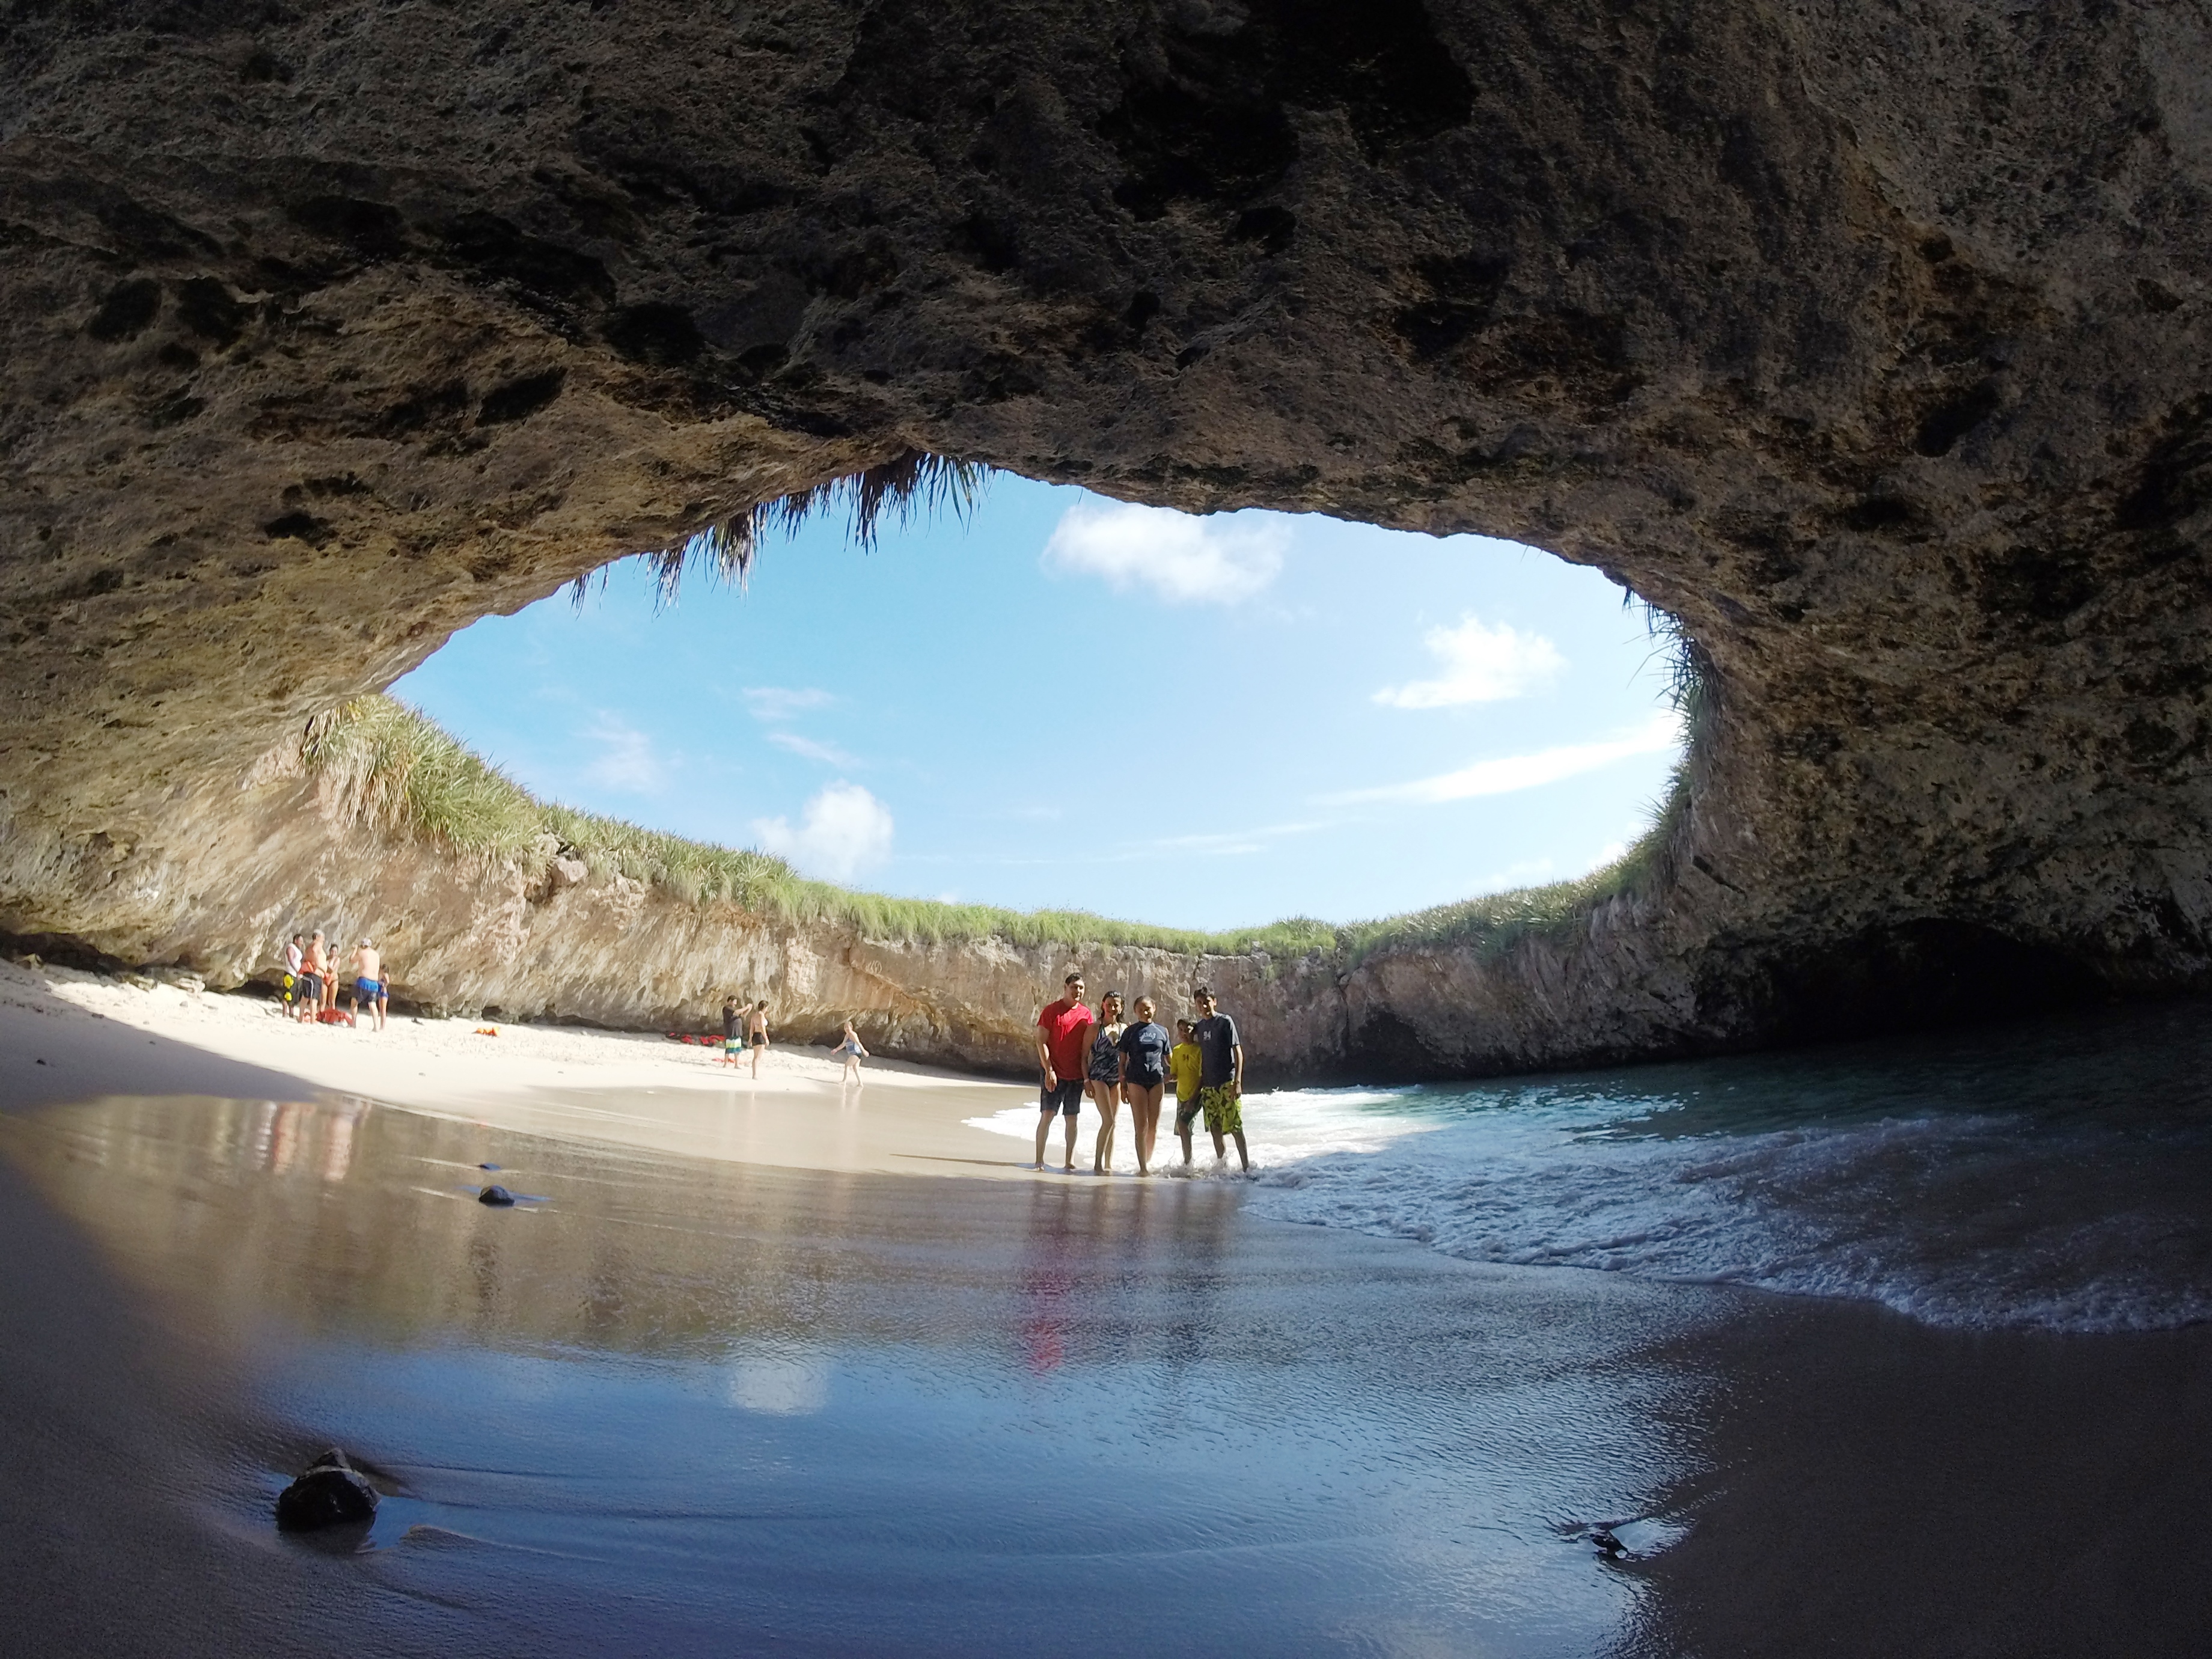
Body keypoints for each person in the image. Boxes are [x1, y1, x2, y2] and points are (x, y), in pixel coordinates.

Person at [1033, 971, 1092, 1172]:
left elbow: (1089, 1047)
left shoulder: (1086, 1014)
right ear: (1065, 988)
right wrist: (1049, 1070)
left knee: (1072, 1118)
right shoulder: (1051, 1011)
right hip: (1054, 1072)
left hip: (1075, 1074)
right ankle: (1039, 1161)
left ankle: (1070, 1162)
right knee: (1048, 1115)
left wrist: (1088, 1076)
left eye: (1081, 988)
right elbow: (1040, 1041)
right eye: (1074, 987)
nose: (1078, 991)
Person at [1190, 985, 1249, 1172]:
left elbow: (1238, 1051)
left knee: (1235, 1126)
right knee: (1215, 1128)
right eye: (1200, 1003)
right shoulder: (1200, 1027)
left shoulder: (1225, 1022)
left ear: (1214, 1002)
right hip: (1208, 1086)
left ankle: (1246, 1168)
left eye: (1207, 1002)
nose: (1204, 1006)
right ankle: (1222, 1166)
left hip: (1226, 1082)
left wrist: (1237, 1082)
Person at [1116, 997, 1172, 1175]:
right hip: (1136, 1080)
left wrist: (1183, 1072)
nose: (1144, 1012)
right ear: (1135, 1012)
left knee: (1153, 1126)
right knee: (1141, 1125)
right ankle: (1142, 1167)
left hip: (1157, 1080)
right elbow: (1122, 1061)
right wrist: (1123, 1085)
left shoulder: (1162, 1031)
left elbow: (1169, 1059)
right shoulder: (1130, 1032)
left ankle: (1148, 1161)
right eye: (1140, 1010)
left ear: (1154, 1008)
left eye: (1147, 1008)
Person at [1085, 991, 1126, 1173]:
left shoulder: (1125, 1029)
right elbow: (1083, 1056)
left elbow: (1127, 1057)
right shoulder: (1095, 1028)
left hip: (1116, 1078)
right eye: (1109, 1004)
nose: (1112, 1008)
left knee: (1113, 1123)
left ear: (1121, 1007)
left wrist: (1126, 1083)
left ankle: (1109, 1164)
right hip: (1098, 1076)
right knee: (1108, 1120)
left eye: (1116, 1005)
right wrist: (1086, 1080)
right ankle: (1097, 1164)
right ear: (1103, 1005)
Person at [349, 939, 386, 1031]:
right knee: (372, 1004)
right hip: (374, 983)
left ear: (362, 946)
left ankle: (353, 1023)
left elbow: (351, 960)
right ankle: (376, 1026)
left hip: (363, 981)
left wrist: (355, 950)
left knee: (354, 1002)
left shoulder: (362, 953)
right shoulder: (376, 955)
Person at [296, 931, 328, 1024]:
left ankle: (301, 1018)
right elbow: (315, 950)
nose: (324, 940)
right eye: (323, 937)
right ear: (318, 937)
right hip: (315, 975)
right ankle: (312, 1021)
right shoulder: (317, 944)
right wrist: (317, 963)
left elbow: (306, 957)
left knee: (305, 997)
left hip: (308, 974)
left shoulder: (309, 946)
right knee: (314, 999)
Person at [836, 1019, 869, 1083]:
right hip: (856, 1054)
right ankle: (860, 1084)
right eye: (845, 1027)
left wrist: (864, 1051)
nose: (847, 1029)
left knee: (847, 1065)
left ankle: (844, 1081)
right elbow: (843, 1045)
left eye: (848, 1027)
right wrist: (836, 1050)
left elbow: (858, 1043)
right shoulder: (847, 1036)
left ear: (851, 1027)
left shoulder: (853, 1034)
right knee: (855, 1068)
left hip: (856, 1053)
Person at [280, 933, 304, 1015]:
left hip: (296, 975)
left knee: (294, 995)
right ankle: (284, 1013)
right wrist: (297, 971)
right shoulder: (291, 947)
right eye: (300, 941)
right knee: (287, 994)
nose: (302, 943)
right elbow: (290, 959)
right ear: (296, 941)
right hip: (290, 974)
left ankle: (291, 1013)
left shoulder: (298, 950)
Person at [747, 998, 770, 1077]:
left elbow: (751, 1029)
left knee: (755, 1057)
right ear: (764, 1007)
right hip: (760, 1036)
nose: (767, 1009)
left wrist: (750, 1038)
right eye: (767, 1008)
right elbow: (762, 1027)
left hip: (755, 1036)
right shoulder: (761, 1015)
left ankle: (754, 1074)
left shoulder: (754, 1016)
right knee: (758, 1057)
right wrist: (766, 1038)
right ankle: (755, 1075)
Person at [722, 997, 742, 1066]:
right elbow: (736, 1012)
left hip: (737, 1030)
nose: (735, 1003)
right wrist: (746, 1007)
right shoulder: (727, 1008)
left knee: (737, 1048)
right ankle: (725, 1064)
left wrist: (748, 1009)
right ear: (730, 1001)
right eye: (734, 1001)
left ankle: (737, 1064)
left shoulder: (735, 1009)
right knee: (729, 1047)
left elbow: (742, 1014)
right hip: (731, 1030)